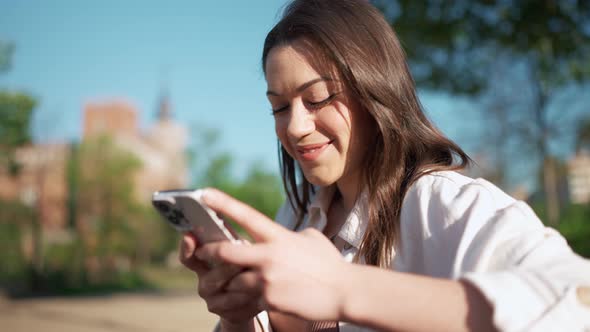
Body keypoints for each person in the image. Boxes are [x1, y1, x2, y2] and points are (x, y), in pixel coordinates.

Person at [180, 0, 590, 331]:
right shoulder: (297, 214)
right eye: (280, 107)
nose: (296, 127)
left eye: (318, 97)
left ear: (375, 89)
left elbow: (576, 297)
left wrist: (344, 289)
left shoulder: (444, 206)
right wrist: (237, 316)